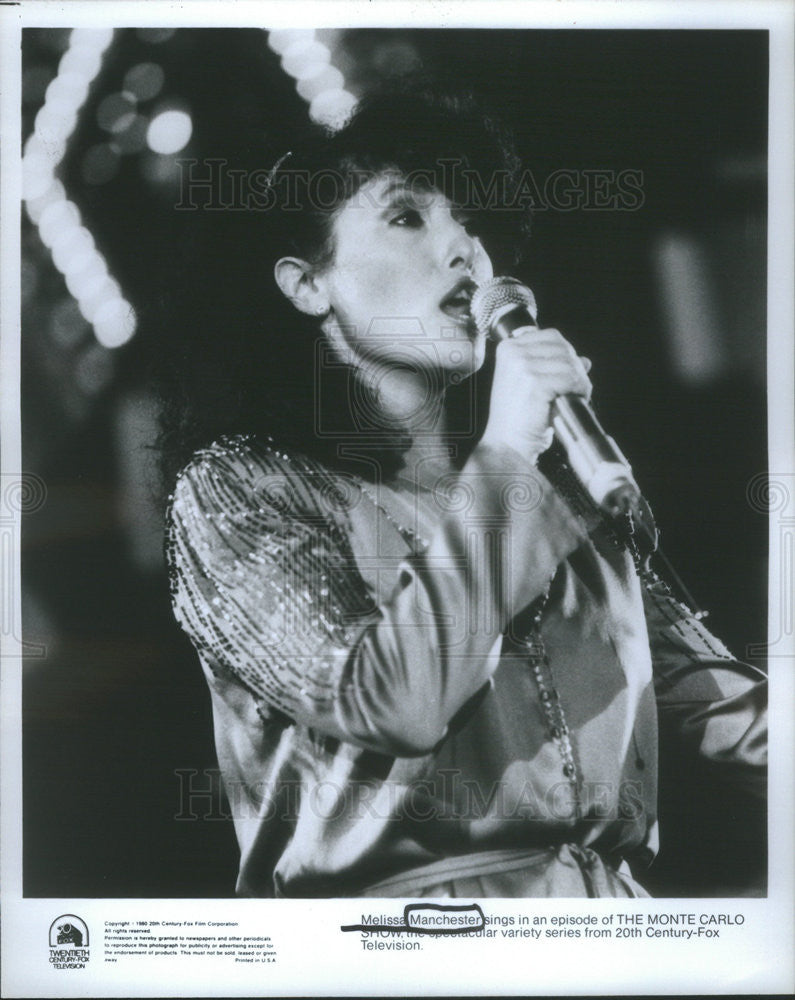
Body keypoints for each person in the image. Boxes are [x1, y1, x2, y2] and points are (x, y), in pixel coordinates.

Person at [160, 83, 767, 898]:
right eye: (408, 217)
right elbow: (393, 701)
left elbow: (723, 716)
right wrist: (510, 447)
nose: (466, 253)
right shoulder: (240, 489)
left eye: (473, 224)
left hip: (610, 932)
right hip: (407, 946)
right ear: (309, 284)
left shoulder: (560, 494)